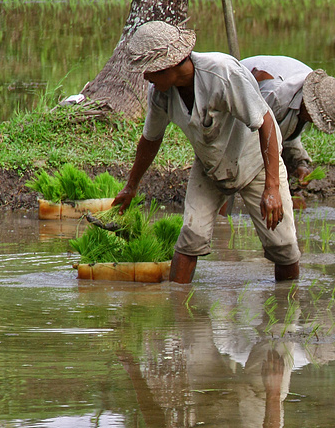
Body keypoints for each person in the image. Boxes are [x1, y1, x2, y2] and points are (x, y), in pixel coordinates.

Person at [112, 21, 300, 282]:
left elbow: (265, 122)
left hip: (255, 161)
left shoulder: (222, 73)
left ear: (168, 66)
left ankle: (288, 311)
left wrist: (272, 187)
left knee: (284, 247)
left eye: (149, 71)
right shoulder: (160, 94)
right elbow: (150, 139)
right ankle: (180, 310)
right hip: (210, 165)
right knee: (190, 238)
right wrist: (131, 185)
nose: (145, 78)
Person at [239, 55, 335, 188]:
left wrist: (299, 163)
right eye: (314, 117)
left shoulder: (313, 92)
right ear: (308, 106)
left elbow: (288, 129)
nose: (313, 122)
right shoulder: (277, 96)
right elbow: (249, 138)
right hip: (233, 112)